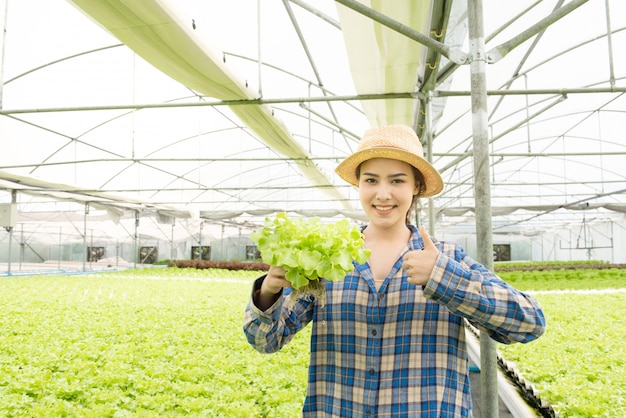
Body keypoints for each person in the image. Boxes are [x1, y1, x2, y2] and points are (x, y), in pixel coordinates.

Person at [243, 124, 546, 417]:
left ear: (417, 187)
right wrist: (269, 291)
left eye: (397, 181)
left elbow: (529, 323)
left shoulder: (446, 257)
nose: (383, 194)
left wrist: (442, 276)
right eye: (371, 180)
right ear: (358, 185)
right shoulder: (329, 260)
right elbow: (265, 340)